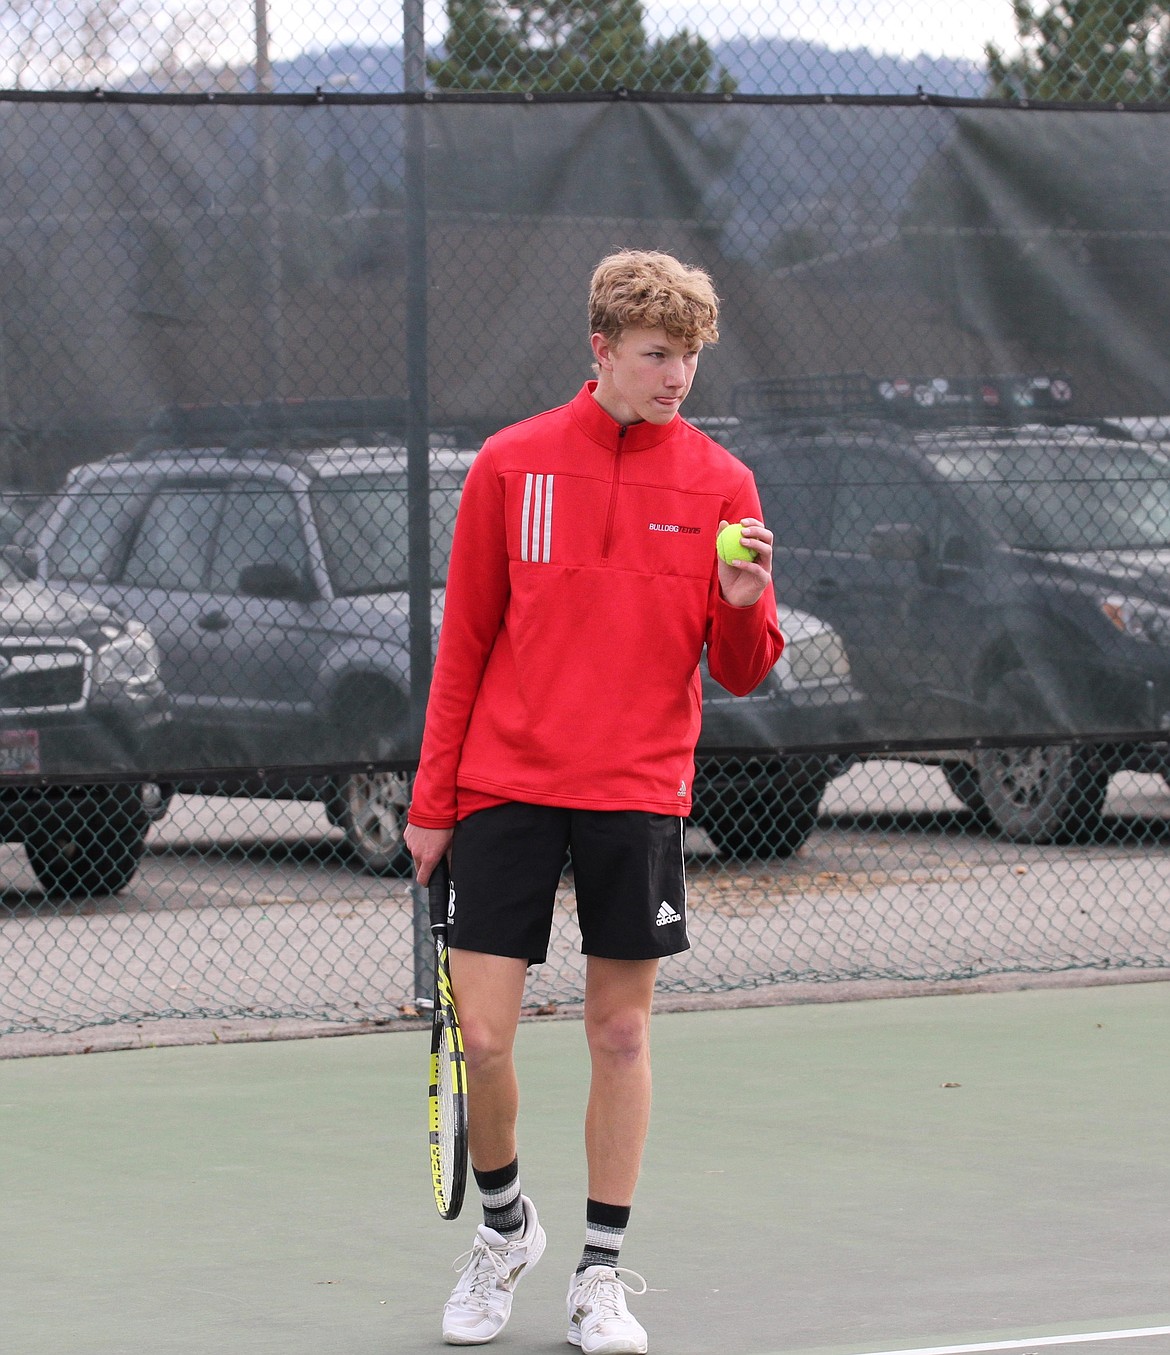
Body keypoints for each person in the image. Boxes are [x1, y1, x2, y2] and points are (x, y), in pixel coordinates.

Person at [404, 248, 784, 1353]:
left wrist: (746, 598)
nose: (678, 377)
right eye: (659, 355)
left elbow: (744, 666)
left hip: (637, 790)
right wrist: (433, 803)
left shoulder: (724, 484)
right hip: (503, 788)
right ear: (602, 348)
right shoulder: (509, 467)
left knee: (619, 1032)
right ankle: (505, 1229)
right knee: (483, 1033)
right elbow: (463, 646)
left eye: (692, 358)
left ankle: (600, 1274)